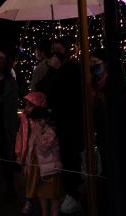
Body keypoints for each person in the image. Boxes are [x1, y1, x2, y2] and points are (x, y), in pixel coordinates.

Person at [46, 52, 83, 214]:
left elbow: (49, 90)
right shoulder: (74, 78)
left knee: (69, 160)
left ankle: (72, 195)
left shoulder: (63, 77)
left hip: (67, 126)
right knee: (70, 160)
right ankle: (72, 194)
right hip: (71, 125)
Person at [16, 92, 62, 216]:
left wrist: (37, 134)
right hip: (39, 170)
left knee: (53, 200)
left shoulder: (50, 131)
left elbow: (44, 147)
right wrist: (25, 162)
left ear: (46, 119)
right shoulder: (33, 129)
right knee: (42, 201)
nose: (37, 123)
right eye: (35, 121)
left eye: (39, 120)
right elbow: (30, 148)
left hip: (50, 171)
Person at [0, 49, 19, 199]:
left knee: (7, 157)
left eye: (1, 58)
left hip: (5, 123)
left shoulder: (10, 79)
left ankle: (9, 188)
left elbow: (13, 101)